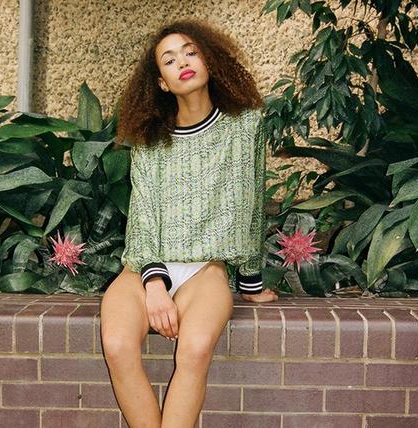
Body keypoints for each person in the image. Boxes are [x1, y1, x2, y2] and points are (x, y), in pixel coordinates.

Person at [100, 18, 278, 428]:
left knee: (195, 349)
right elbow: (143, 215)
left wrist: (251, 282)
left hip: (205, 272)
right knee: (118, 344)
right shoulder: (150, 141)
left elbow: (252, 202)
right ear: (162, 83)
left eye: (190, 52)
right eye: (169, 60)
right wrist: (154, 285)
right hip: (144, 268)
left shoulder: (246, 125)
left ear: (208, 60)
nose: (182, 62)